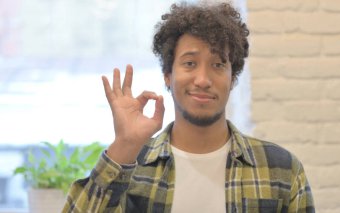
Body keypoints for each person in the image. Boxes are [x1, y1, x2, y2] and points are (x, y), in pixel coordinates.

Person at [63, 2, 315, 213]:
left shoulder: (281, 170)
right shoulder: (130, 167)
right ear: (167, 75)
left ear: (233, 78)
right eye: (190, 63)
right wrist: (125, 145)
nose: (203, 80)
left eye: (218, 65)